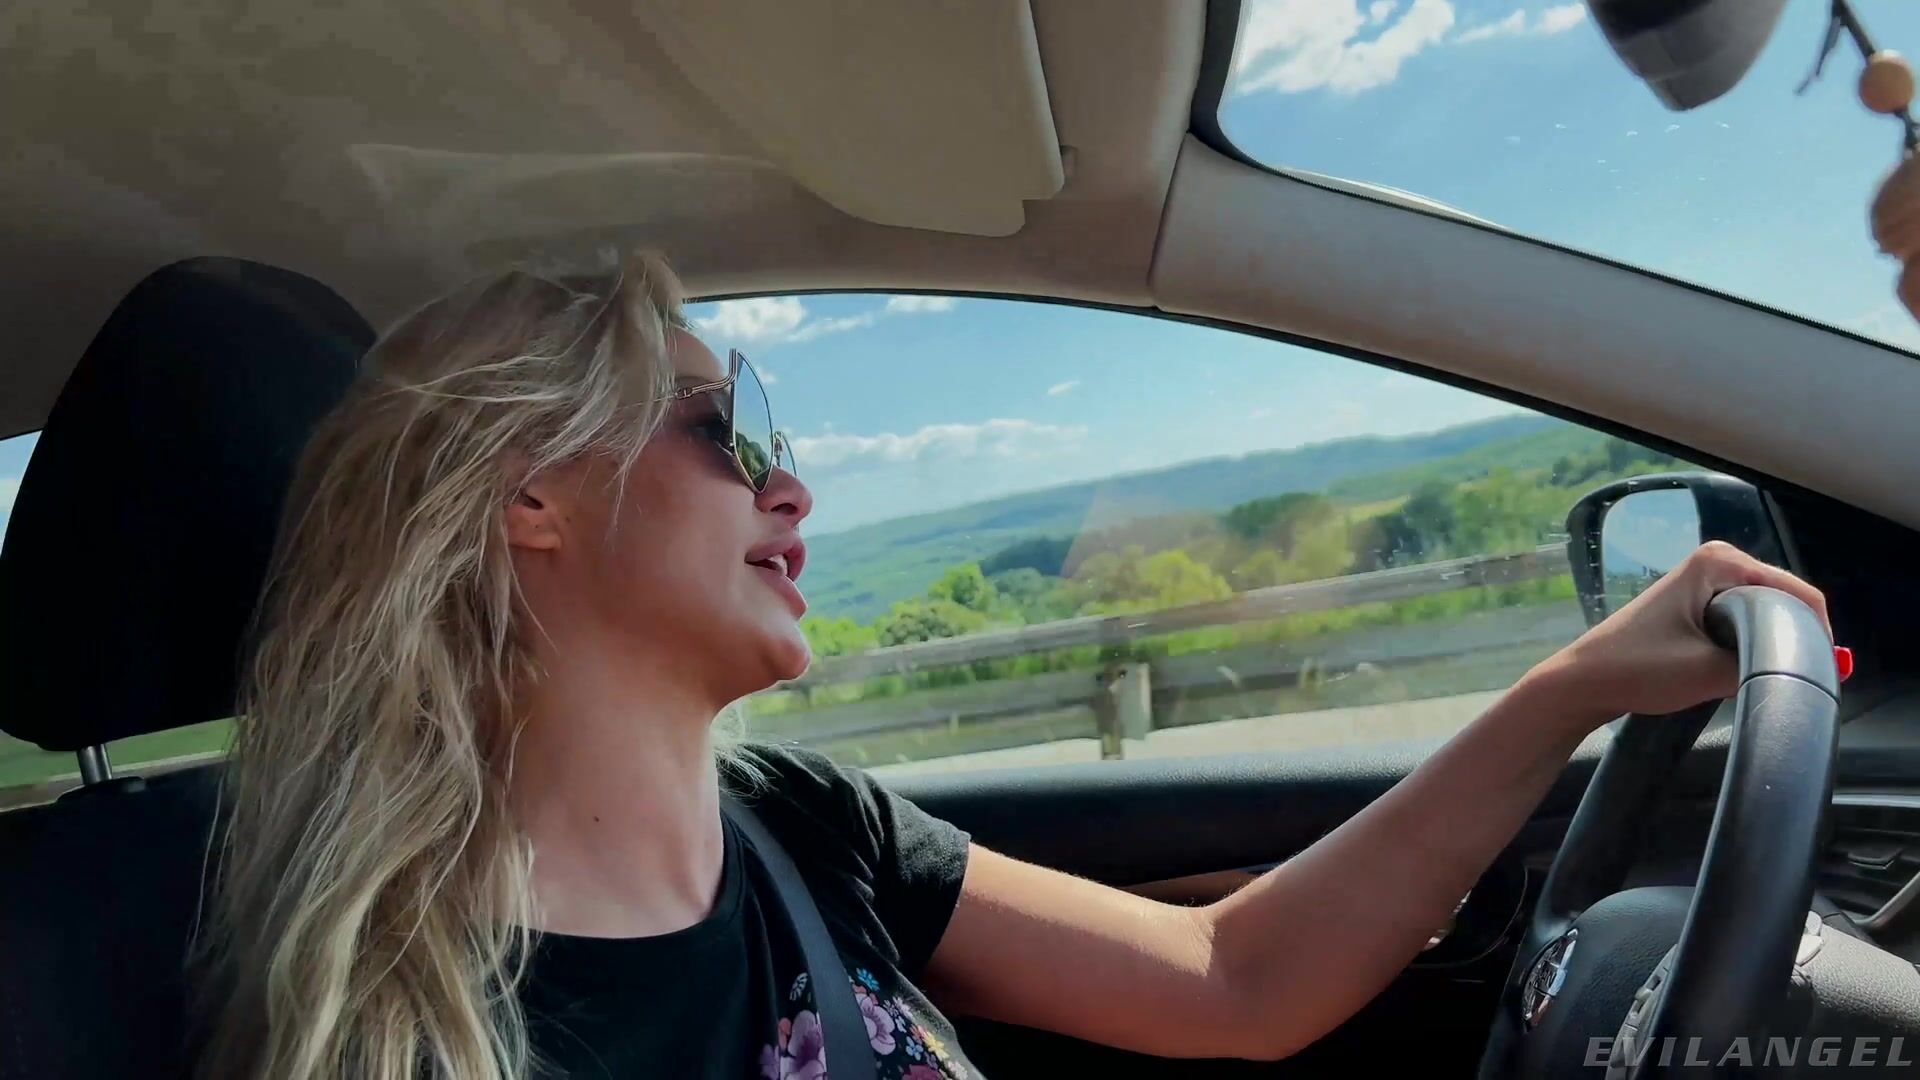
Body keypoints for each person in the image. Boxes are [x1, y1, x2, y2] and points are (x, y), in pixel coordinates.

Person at [190, 250, 1832, 1080]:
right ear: (526, 498)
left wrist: (1571, 688)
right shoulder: (407, 1023)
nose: (790, 484)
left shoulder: (802, 829)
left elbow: (1233, 983)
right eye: (725, 427)